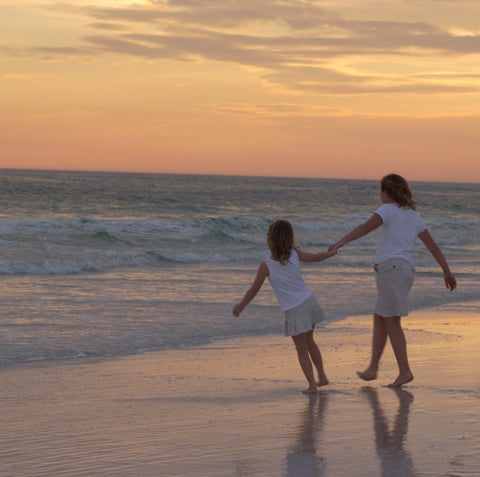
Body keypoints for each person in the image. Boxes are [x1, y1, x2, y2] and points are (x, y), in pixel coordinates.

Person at [330, 173, 457, 387]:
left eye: (382, 191)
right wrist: (447, 271)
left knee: (392, 320)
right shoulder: (413, 216)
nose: (380, 195)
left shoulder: (386, 210)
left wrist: (340, 242)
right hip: (404, 271)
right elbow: (432, 246)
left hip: (392, 270)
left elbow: (365, 227)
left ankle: (405, 371)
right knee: (380, 316)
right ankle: (372, 368)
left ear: (388, 192)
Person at [233, 219, 336, 394]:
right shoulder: (295, 253)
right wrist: (331, 253)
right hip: (309, 301)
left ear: (270, 239)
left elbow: (253, 290)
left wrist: (241, 306)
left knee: (301, 349)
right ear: (290, 238)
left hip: (295, 309)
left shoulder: (266, 265)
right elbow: (316, 257)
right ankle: (322, 376)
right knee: (310, 342)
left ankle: (312, 385)